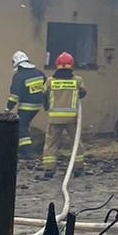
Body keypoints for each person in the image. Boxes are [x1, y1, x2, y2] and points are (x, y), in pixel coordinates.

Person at [42, 52, 85, 180]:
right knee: (76, 142)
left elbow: (44, 95)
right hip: (72, 118)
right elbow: (83, 93)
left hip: (55, 118)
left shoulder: (50, 81)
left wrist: (47, 106)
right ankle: (78, 168)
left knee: (51, 143)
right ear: (72, 65)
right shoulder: (77, 80)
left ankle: (49, 170)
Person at [5, 50, 49, 166]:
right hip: (37, 105)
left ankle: (28, 152)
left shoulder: (19, 76)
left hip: (26, 106)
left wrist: (7, 109)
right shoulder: (39, 73)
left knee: (21, 126)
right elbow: (46, 89)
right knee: (24, 125)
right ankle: (21, 150)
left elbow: (15, 95)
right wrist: (46, 104)